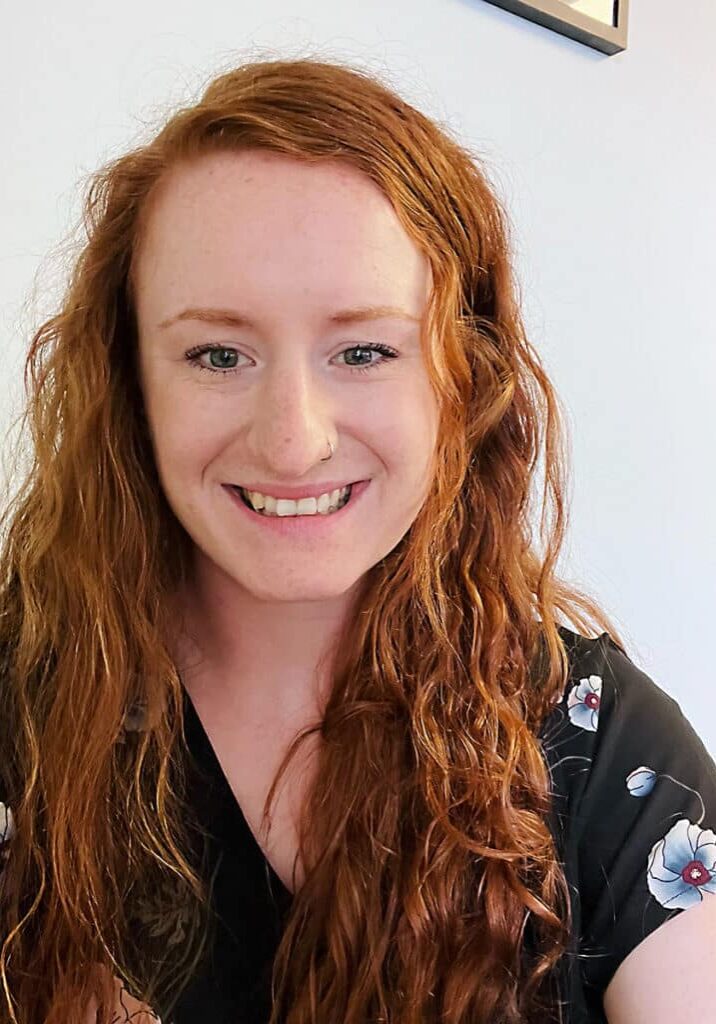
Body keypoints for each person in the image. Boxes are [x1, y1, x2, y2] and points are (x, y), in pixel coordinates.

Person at [0, 55, 714, 1024]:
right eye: (217, 353)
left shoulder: (602, 757)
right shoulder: (23, 710)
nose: (293, 438)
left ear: (461, 378)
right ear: (130, 382)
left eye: (363, 350)